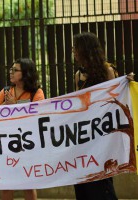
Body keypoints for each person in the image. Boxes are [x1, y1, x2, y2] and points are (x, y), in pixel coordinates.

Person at [73, 32, 118, 200]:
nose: (74, 52)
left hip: (102, 132)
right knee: (83, 181)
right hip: (85, 134)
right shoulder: (78, 75)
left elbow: (114, 100)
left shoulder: (107, 70)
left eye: (75, 48)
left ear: (85, 50)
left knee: (101, 181)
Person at [0, 58, 44, 200]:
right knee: (6, 184)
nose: (11, 72)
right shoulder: (5, 92)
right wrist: (6, 106)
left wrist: (15, 105)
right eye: (11, 69)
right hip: (6, 143)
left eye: (15, 70)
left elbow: (38, 116)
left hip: (28, 144)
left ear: (26, 73)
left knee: (28, 184)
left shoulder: (37, 93)